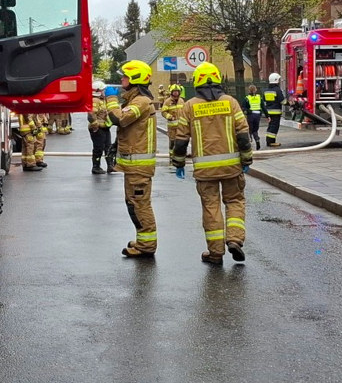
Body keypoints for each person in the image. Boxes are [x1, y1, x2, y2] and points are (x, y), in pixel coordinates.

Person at [168, 62, 254, 265]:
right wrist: (247, 159)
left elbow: (181, 140)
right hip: (232, 167)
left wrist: (178, 164)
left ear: (197, 81)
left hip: (205, 171)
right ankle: (234, 239)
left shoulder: (189, 106)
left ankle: (215, 253)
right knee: (234, 202)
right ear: (217, 80)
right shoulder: (231, 102)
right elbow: (243, 134)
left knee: (211, 206)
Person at [107, 60, 160, 257]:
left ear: (135, 79)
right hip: (134, 166)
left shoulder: (141, 102)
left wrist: (111, 100)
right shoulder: (134, 100)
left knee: (139, 205)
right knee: (134, 204)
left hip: (139, 167)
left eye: (125, 77)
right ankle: (143, 241)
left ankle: (146, 246)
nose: (122, 80)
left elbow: (120, 118)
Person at [87, 80, 116, 175]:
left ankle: (110, 166)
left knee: (108, 147)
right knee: (98, 148)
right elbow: (91, 115)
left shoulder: (102, 100)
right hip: (98, 129)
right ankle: (96, 167)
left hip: (104, 128)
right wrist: (96, 126)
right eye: (103, 90)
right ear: (98, 91)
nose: (105, 91)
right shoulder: (95, 101)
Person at [262, 73, 285, 148]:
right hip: (276, 112)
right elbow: (282, 101)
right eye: (278, 80)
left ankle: (269, 141)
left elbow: (264, 101)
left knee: (271, 126)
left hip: (268, 112)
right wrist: (290, 103)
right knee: (274, 127)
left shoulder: (266, 90)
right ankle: (271, 142)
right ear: (276, 80)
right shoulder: (277, 90)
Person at [242, 84, 263, 148]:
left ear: (249, 90)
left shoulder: (247, 98)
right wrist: (268, 116)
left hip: (250, 115)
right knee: (255, 130)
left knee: (250, 128)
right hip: (257, 115)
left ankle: (250, 138)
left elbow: (243, 107)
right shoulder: (259, 97)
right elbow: (263, 107)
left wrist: (246, 111)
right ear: (255, 90)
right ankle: (257, 139)